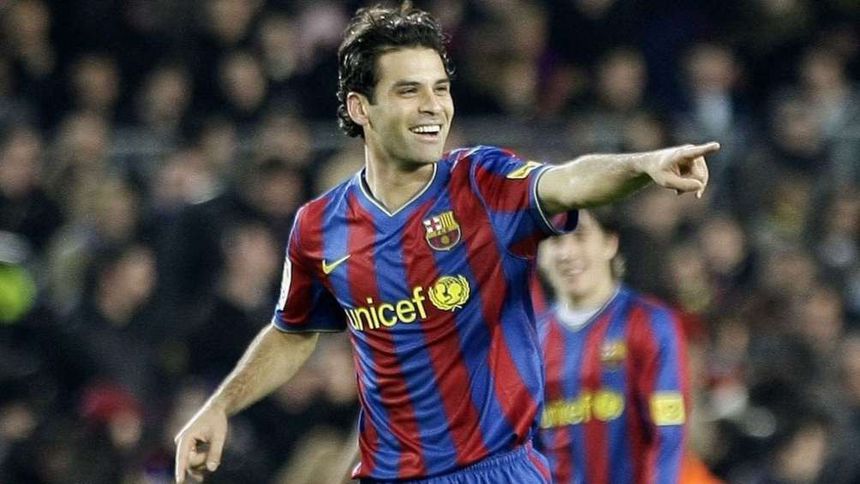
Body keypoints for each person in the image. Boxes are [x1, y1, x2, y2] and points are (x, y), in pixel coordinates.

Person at [174, 3, 718, 483]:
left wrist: (644, 165)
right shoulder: (318, 227)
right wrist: (220, 406)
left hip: (499, 471)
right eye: (409, 90)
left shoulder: (482, 182)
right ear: (361, 108)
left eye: (440, 88)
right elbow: (293, 333)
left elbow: (569, 180)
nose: (433, 105)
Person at [535, 207, 701, 483]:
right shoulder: (530, 341)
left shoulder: (649, 323)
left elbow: (668, 433)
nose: (567, 252)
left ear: (609, 243)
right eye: (555, 240)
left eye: (580, 236)